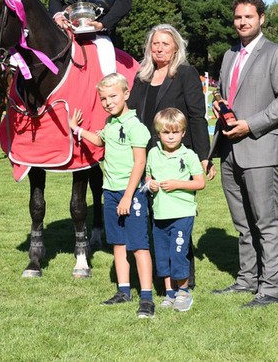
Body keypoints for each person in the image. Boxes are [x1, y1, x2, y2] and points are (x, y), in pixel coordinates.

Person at [209, 0, 278, 308]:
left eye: (249, 16)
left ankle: (270, 289)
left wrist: (251, 124)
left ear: (261, 18)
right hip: (230, 151)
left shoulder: (277, 54)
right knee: (243, 223)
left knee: (266, 221)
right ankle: (248, 279)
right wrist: (218, 102)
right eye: (238, 17)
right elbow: (224, 92)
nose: (243, 22)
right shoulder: (229, 55)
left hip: (262, 150)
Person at [127, 24, 214, 292]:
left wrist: (203, 156)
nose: (159, 48)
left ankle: (184, 280)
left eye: (165, 44)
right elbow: (130, 114)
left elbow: (198, 116)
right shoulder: (141, 76)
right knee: (154, 219)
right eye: (155, 43)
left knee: (178, 217)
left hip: (177, 156)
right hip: (148, 157)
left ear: (176, 46)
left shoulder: (185, 74)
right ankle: (161, 278)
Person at [68, 73, 154, 319]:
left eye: (113, 96)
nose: (108, 102)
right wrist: (78, 130)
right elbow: (99, 140)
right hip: (110, 192)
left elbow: (140, 163)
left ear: (126, 94)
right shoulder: (110, 123)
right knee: (117, 244)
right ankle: (123, 291)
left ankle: (146, 297)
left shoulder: (136, 127)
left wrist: (128, 196)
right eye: (103, 98)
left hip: (132, 193)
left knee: (138, 245)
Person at [145, 108, 206, 312]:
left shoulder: (189, 155)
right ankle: (169, 293)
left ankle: (184, 292)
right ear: (158, 134)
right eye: (165, 132)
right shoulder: (153, 153)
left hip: (182, 214)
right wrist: (150, 184)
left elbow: (199, 183)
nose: (170, 136)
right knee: (162, 254)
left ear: (183, 133)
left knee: (178, 253)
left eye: (175, 132)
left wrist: (177, 184)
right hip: (160, 214)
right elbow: (147, 176)